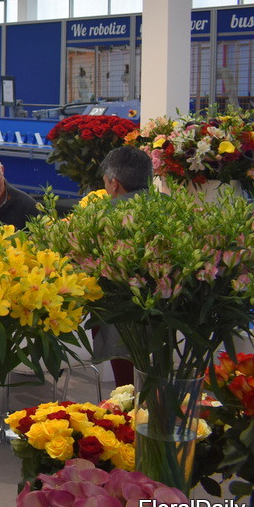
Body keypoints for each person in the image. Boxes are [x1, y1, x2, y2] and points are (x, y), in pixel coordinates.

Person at [91, 145, 154, 387]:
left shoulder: (105, 214)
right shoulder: (174, 207)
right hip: (169, 317)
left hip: (121, 317)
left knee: (128, 388)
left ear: (114, 184)